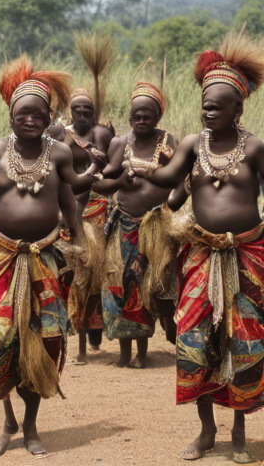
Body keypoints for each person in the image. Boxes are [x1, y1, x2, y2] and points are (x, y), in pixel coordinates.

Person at [0, 57, 103, 458]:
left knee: (45, 343)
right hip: (1, 257)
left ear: (49, 117)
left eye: (38, 114)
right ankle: (8, 419)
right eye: (22, 113)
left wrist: (78, 236)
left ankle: (31, 425)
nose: (30, 120)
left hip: (47, 257)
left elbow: (71, 195)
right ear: (10, 116)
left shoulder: (58, 153)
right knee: (1, 339)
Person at [131, 36, 264, 463]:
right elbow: (166, 175)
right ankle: (207, 432)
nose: (209, 111)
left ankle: (240, 433)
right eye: (205, 104)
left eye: (218, 106)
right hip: (201, 257)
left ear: (238, 110)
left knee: (243, 344)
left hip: (247, 256)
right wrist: (132, 165)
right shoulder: (192, 144)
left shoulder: (256, 148)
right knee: (194, 341)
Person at [91, 82, 177, 368]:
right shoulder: (119, 143)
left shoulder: (169, 142)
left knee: (146, 288)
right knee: (119, 284)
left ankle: (142, 352)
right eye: (137, 116)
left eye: (148, 116)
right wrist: (116, 180)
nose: (142, 120)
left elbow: (177, 182)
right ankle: (124, 352)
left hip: (155, 228)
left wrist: (163, 167)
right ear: (129, 118)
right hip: (123, 227)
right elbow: (104, 183)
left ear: (158, 118)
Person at [62, 88, 113, 363]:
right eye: (77, 110)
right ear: (70, 112)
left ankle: (94, 333)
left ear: (94, 113)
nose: (82, 115)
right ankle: (78, 339)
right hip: (71, 211)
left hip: (99, 211)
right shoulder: (61, 135)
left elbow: (113, 170)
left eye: (88, 111)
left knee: (98, 275)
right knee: (76, 277)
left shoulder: (103, 135)